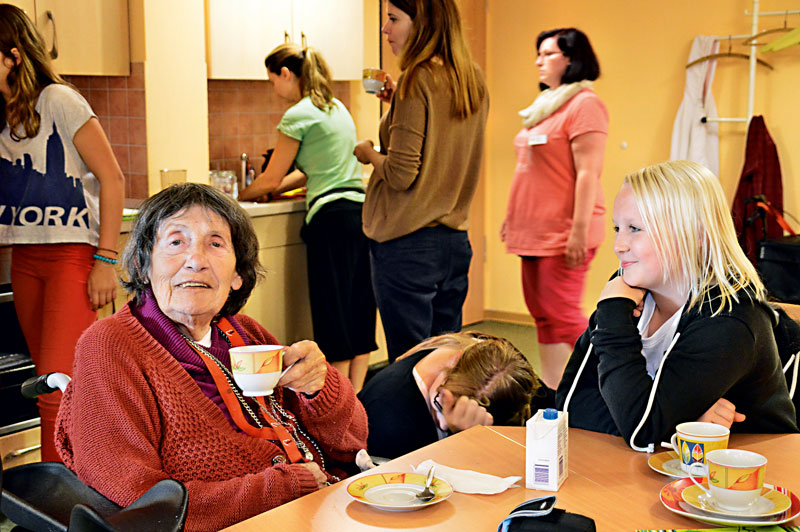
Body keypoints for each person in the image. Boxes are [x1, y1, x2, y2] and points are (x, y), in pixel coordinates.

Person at [55, 183, 368, 532]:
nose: (196, 261)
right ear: (144, 265)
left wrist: (319, 387)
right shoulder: (111, 346)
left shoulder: (246, 335)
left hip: (322, 508)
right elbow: (137, 497)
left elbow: (353, 443)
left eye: (216, 244)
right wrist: (283, 487)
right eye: (176, 242)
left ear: (237, 274)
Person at [555, 161, 798, 452]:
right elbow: (570, 402)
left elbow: (642, 429)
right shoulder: (624, 292)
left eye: (635, 229)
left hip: (752, 473)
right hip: (670, 467)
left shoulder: (728, 320)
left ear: (695, 235)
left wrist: (655, 424)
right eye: (617, 228)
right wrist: (680, 426)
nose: (619, 244)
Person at [0, 4, 124, 462]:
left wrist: (106, 261)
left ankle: (59, 505)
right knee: (45, 383)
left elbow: (111, 178)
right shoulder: (3, 113)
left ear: (12, 56)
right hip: (24, 258)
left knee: (58, 387)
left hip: (72, 257)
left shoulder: (59, 101)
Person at [353, 0, 489, 362]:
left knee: (410, 364)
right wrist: (400, 100)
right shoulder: (470, 77)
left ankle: (411, 422)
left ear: (423, 24)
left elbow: (401, 174)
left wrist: (367, 152)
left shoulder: (418, 77)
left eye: (393, 19)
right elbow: (443, 147)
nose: (386, 30)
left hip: (407, 241)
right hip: (454, 242)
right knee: (448, 361)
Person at [239, 43, 376, 392]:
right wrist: (274, 187)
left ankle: (337, 400)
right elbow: (311, 171)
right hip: (358, 213)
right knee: (358, 306)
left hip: (328, 219)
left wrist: (240, 196)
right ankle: (357, 396)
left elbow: (270, 178)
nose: (274, 90)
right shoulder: (335, 108)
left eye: (272, 81)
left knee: (333, 312)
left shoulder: (298, 115)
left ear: (286, 74)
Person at [500, 28, 608, 390]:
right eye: (539, 53)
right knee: (543, 316)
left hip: (563, 233)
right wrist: (511, 221)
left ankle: (614, 378)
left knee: (561, 314)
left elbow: (588, 174)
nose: (538, 61)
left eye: (547, 54)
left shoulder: (585, 104)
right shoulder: (546, 107)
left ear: (571, 59)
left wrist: (577, 232)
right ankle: (553, 388)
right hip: (531, 232)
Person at [358, 331, 546, 458]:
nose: (445, 423)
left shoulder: (503, 360)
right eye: (440, 403)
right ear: (455, 360)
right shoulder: (387, 418)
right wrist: (465, 445)